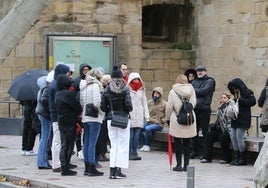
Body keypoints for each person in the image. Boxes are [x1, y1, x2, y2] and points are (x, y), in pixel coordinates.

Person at [100, 66, 133, 179]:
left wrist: (110, 110)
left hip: (111, 119)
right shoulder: (125, 89)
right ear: (121, 77)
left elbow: (102, 107)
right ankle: (118, 169)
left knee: (114, 145)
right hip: (123, 119)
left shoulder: (107, 90)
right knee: (123, 145)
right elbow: (129, 107)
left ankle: (112, 171)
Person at [165, 74, 197, 171]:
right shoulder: (191, 90)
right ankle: (186, 165)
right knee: (187, 143)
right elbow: (194, 103)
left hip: (177, 118)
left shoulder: (173, 91)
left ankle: (178, 165)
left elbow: (169, 107)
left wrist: (167, 118)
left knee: (178, 143)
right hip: (189, 118)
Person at [55, 74, 82, 176]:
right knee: (69, 145)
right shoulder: (68, 94)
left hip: (61, 121)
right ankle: (66, 167)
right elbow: (78, 107)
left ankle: (64, 166)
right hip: (70, 121)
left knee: (63, 145)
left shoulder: (58, 94)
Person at [48, 64, 72, 172]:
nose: (68, 74)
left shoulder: (53, 84)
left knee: (57, 140)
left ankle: (58, 162)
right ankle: (56, 164)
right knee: (57, 140)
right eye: (66, 72)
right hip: (57, 116)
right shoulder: (56, 85)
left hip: (56, 115)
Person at [80, 71, 105, 176]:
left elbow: (81, 102)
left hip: (85, 117)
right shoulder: (95, 86)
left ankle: (87, 167)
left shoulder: (83, 86)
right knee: (92, 143)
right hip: (94, 118)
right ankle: (92, 167)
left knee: (86, 142)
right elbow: (97, 103)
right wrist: (101, 112)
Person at [227, 78, 256, 166]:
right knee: (233, 136)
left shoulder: (247, 92)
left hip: (243, 119)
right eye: (233, 88)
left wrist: (240, 100)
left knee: (239, 137)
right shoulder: (234, 94)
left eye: (235, 88)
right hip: (235, 118)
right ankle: (236, 156)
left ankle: (242, 157)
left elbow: (253, 101)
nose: (235, 90)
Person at [190, 65, 215, 159]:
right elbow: (190, 91)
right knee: (194, 131)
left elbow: (204, 91)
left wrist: (194, 91)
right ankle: (194, 151)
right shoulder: (194, 81)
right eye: (198, 71)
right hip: (195, 108)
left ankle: (206, 153)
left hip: (204, 109)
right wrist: (196, 91)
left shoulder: (210, 81)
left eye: (201, 71)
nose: (199, 72)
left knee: (205, 132)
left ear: (205, 71)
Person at [200, 92, 232, 164]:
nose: (223, 99)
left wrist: (225, 129)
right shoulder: (220, 107)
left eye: (225, 98)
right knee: (209, 135)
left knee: (223, 137)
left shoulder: (231, 107)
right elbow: (218, 121)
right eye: (222, 98)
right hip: (221, 129)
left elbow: (230, 121)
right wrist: (214, 126)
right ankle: (207, 157)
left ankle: (226, 158)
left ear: (229, 99)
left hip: (229, 130)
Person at [127, 72, 150, 160]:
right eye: (134, 79)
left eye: (138, 79)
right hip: (131, 114)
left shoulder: (142, 90)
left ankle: (135, 152)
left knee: (136, 136)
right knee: (130, 135)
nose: (136, 81)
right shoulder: (128, 90)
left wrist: (147, 116)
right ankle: (129, 152)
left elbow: (144, 103)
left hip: (139, 114)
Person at [72, 63, 92, 158]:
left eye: (87, 69)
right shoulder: (77, 81)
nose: (86, 71)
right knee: (78, 131)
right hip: (79, 109)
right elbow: (74, 94)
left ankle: (84, 149)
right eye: (84, 70)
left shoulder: (92, 80)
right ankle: (79, 149)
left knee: (87, 130)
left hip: (88, 109)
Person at [139, 87, 167, 152]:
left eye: (157, 93)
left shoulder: (164, 104)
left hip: (158, 124)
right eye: (154, 93)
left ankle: (147, 145)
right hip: (149, 121)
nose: (155, 95)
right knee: (139, 128)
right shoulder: (149, 102)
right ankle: (145, 144)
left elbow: (167, 116)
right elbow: (145, 112)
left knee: (147, 129)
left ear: (160, 95)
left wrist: (162, 121)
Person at [36, 75, 52, 169]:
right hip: (45, 115)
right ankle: (42, 162)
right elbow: (44, 100)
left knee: (44, 138)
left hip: (42, 114)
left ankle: (43, 161)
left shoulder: (42, 88)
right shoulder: (46, 88)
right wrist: (50, 109)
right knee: (45, 139)